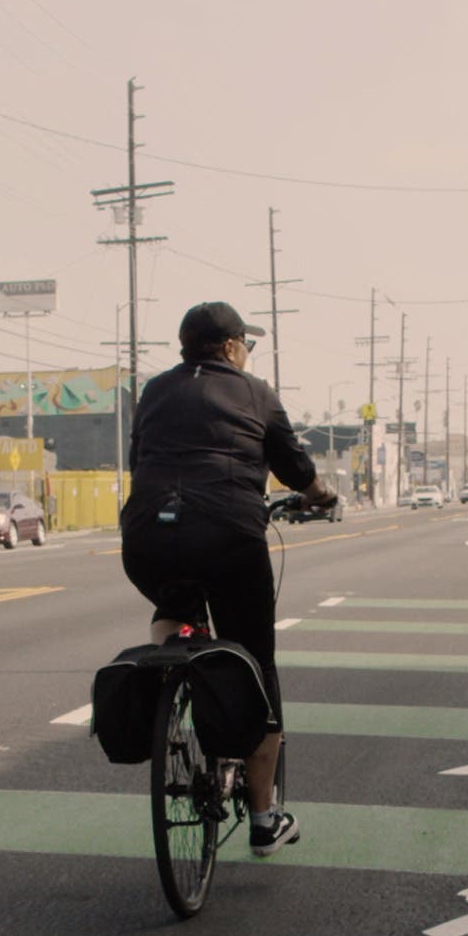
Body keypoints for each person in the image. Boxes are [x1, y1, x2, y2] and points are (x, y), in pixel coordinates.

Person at [122, 301, 339, 855]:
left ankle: (177, 679)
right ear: (229, 347)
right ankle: (265, 818)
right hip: (228, 538)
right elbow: (294, 466)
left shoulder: (152, 392)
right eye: (246, 342)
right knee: (256, 660)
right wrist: (322, 496)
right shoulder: (255, 392)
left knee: (173, 604)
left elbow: (139, 461)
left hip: (148, 537)